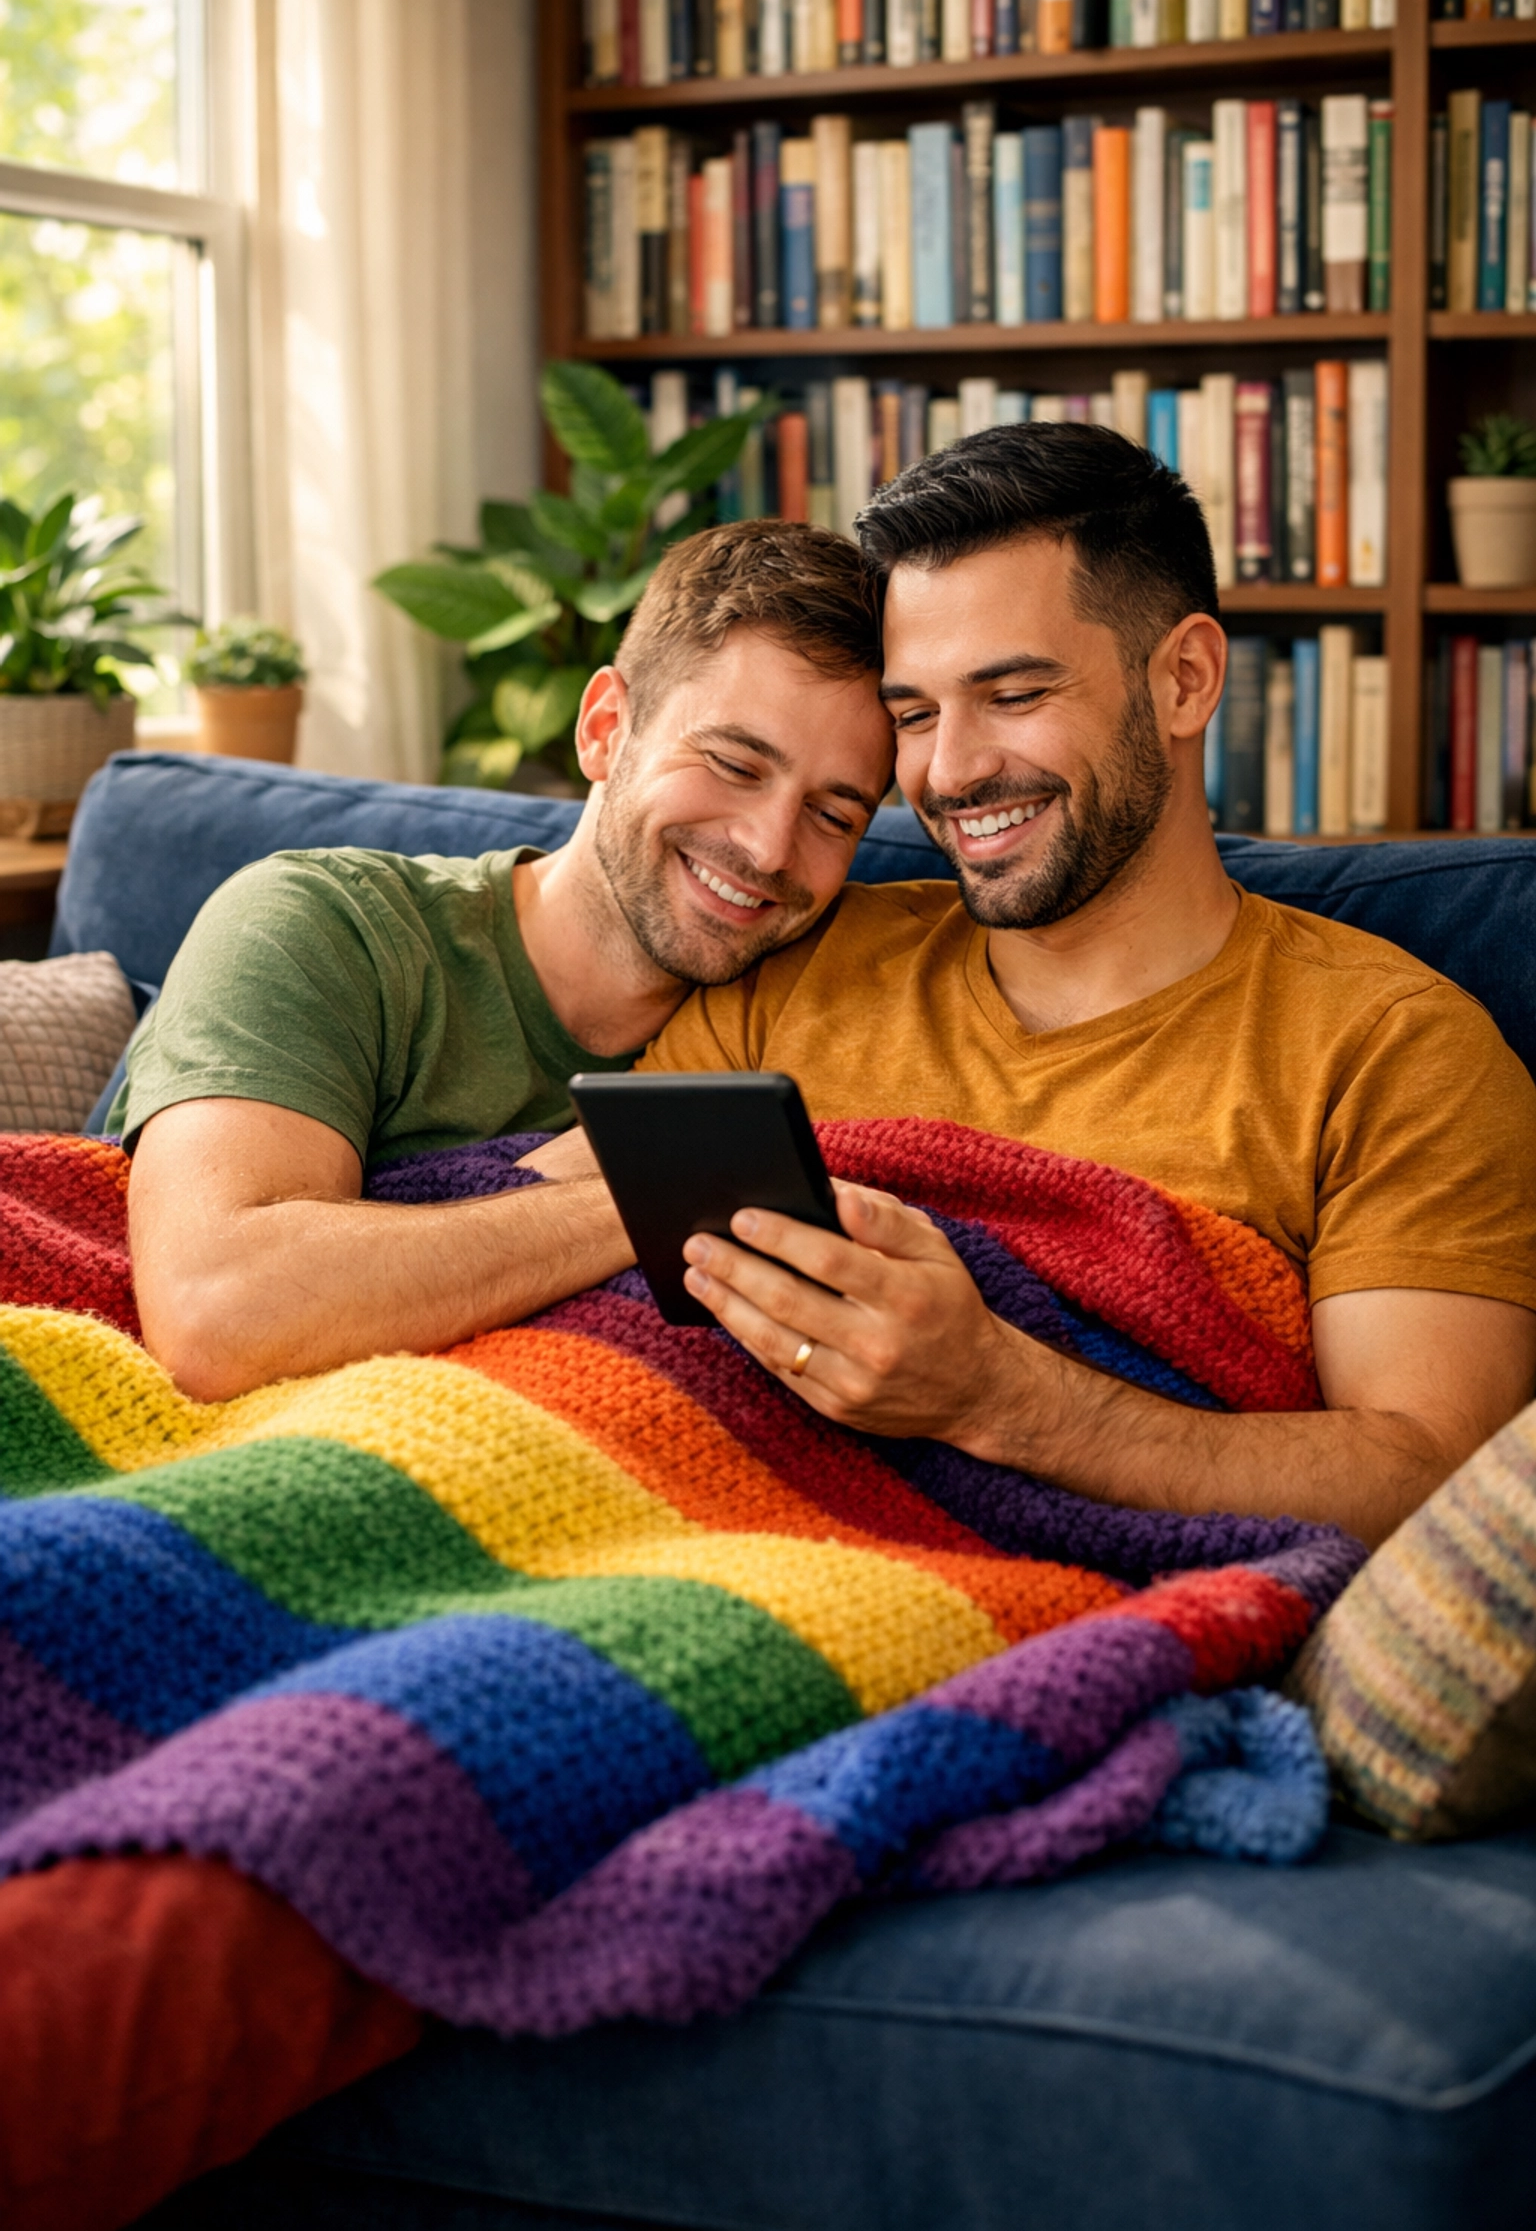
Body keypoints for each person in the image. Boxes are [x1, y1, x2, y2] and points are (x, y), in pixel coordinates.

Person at [607, 424, 1536, 1550]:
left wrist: (1001, 1397)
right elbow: (573, 1248)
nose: (948, 773)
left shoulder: (1391, 1052)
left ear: (1184, 679)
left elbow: (1433, 1476)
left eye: (1012, 693)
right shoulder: (798, 963)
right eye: (914, 714)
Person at [117, 520, 889, 1402]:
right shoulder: (325, 925)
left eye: (835, 815)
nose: (769, 848)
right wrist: (673, 1198)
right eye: (733, 762)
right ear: (603, 729)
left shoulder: (823, 1005)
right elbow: (217, 1319)